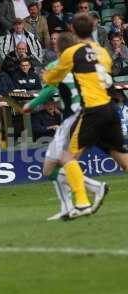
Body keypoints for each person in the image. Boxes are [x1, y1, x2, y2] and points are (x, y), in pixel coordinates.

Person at [42, 13, 128, 218]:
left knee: (66, 157)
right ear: (93, 28)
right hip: (110, 107)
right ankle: (83, 199)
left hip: (92, 111)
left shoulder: (71, 52)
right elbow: (105, 72)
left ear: (72, 30)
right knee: (123, 159)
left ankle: (81, 202)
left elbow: (52, 77)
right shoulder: (102, 52)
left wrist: (47, 73)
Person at [23, 26, 107, 221]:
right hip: (88, 114)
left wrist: (31, 104)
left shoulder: (57, 65)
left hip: (73, 118)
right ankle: (80, 197)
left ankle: (77, 200)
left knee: (59, 162)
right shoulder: (83, 64)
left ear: (58, 48)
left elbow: (48, 90)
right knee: (50, 168)